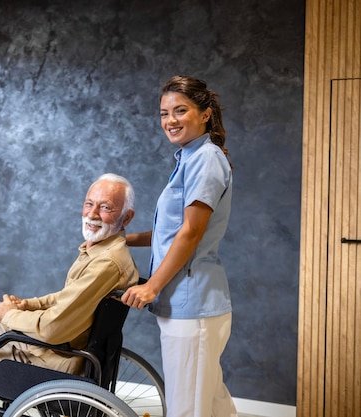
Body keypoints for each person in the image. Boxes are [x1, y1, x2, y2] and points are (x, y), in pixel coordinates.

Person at [0, 173, 139, 417]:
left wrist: (11, 316)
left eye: (106, 208)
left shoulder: (105, 263)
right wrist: (26, 305)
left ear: (126, 217)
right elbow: (66, 299)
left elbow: (53, 328)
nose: (92, 214)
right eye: (89, 204)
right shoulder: (105, 251)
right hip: (62, 350)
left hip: (57, 364)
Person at [121, 75, 237, 417]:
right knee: (212, 404)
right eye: (163, 113)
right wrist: (121, 240)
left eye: (180, 110)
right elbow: (169, 232)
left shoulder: (205, 159)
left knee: (188, 409)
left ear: (205, 113)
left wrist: (151, 287)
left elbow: (190, 233)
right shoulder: (189, 158)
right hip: (186, 305)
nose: (170, 120)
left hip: (193, 305)